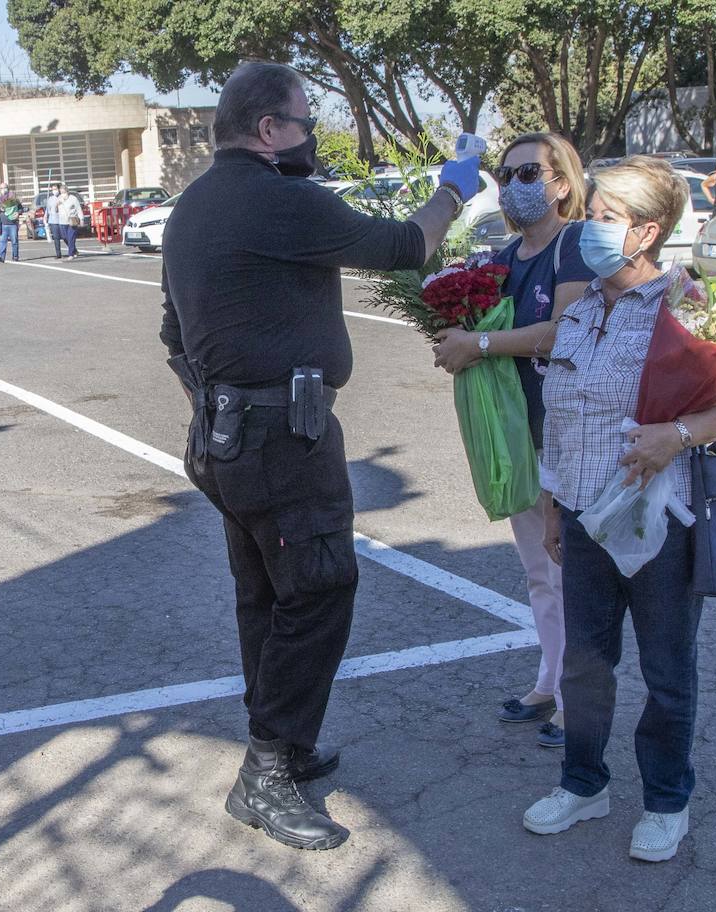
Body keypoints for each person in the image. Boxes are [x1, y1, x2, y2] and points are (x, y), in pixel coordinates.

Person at [159, 60, 480, 851]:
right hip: (280, 439)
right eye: (305, 123)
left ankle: (286, 745)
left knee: (267, 595)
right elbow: (407, 245)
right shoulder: (278, 198)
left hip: (225, 437)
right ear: (268, 130)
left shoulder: (191, 207)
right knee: (320, 588)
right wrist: (456, 187)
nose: (312, 138)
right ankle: (266, 770)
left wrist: (218, 406)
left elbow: (173, 336)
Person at [524, 156, 716, 862]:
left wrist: (675, 435)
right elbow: (558, 414)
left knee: (666, 670)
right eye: (590, 214)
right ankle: (583, 783)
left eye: (602, 218)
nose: (587, 229)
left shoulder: (686, 304)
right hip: (588, 518)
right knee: (585, 666)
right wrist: (555, 506)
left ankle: (665, 801)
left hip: (665, 522)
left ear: (646, 231)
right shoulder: (584, 305)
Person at [430, 132, 593, 749]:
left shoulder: (576, 245)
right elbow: (481, 327)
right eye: (506, 174)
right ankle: (549, 681)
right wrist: (455, 336)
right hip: (515, 429)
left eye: (530, 173)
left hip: (566, 434)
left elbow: (564, 333)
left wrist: (481, 344)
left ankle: (581, 700)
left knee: (570, 570)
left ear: (562, 184)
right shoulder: (500, 257)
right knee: (537, 570)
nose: (515, 185)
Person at [0, 182, 22, 263]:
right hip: (3, 224)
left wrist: (18, 213)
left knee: (14, 241)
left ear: (8, 188)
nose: (3, 190)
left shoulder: (14, 199)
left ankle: (15, 256)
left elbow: (20, 208)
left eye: (4, 188)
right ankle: (1, 256)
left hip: (13, 224)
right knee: (2, 241)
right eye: (1, 188)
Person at [57, 186, 84, 260]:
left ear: (67, 192)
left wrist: (81, 219)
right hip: (62, 221)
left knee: (71, 237)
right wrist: (57, 204)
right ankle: (74, 250)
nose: (63, 194)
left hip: (72, 220)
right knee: (64, 237)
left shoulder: (73, 199)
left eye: (64, 192)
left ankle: (71, 254)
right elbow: (56, 210)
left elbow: (78, 209)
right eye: (61, 192)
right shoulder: (59, 198)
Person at [46, 183, 67, 259]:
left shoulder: (62, 197)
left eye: (55, 189)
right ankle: (58, 254)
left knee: (64, 237)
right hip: (53, 221)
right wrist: (46, 217)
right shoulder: (50, 199)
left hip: (62, 220)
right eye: (53, 189)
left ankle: (73, 250)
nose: (54, 191)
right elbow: (48, 210)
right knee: (56, 238)